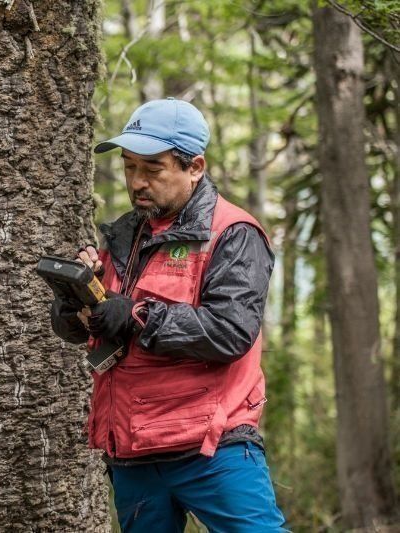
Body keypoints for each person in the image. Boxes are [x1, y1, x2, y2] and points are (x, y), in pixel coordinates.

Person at [50, 98, 287, 531]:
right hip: (132, 452)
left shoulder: (233, 233)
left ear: (194, 167)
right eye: (128, 167)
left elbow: (230, 332)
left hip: (213, 450)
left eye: (152, 168)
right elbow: (95, 328)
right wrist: (75, 304)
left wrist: (137, 315)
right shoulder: (124, 234)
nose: (137, 182)